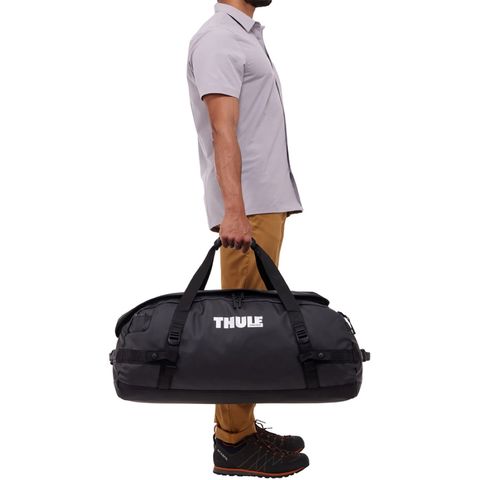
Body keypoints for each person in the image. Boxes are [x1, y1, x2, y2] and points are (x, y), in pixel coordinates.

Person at [187, 1, 309, 476]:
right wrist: (234, 211)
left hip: (262, 203)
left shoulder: (244, 35)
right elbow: (223, 130)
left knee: (251, 324)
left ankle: (240, 428)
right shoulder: (219, 38)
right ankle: (233, 443)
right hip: (249, 209)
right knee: (241, 327)